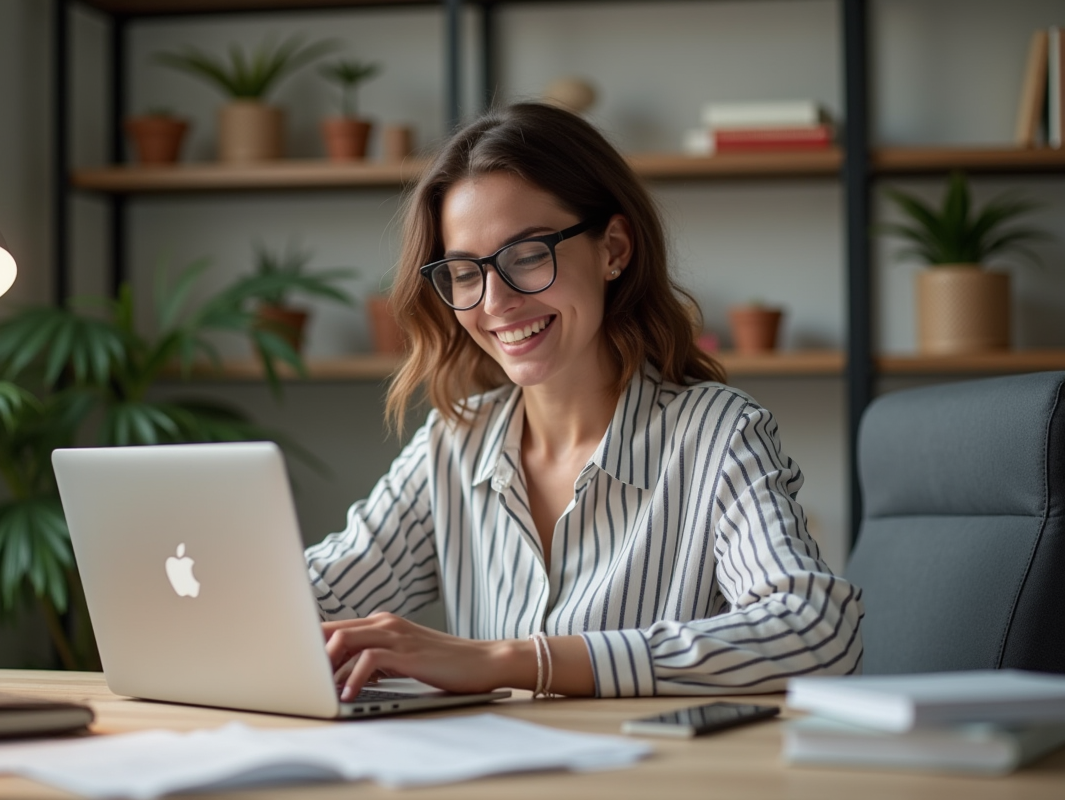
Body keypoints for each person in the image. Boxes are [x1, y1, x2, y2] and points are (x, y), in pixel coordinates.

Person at [306, 102, 863, 701]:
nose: (495, 301)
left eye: (526, 256)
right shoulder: (454, 444)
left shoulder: (717, 434)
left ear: (613, 249)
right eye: (466, 272)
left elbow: (816, 631)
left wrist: (511, 661)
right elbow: (307, 599)